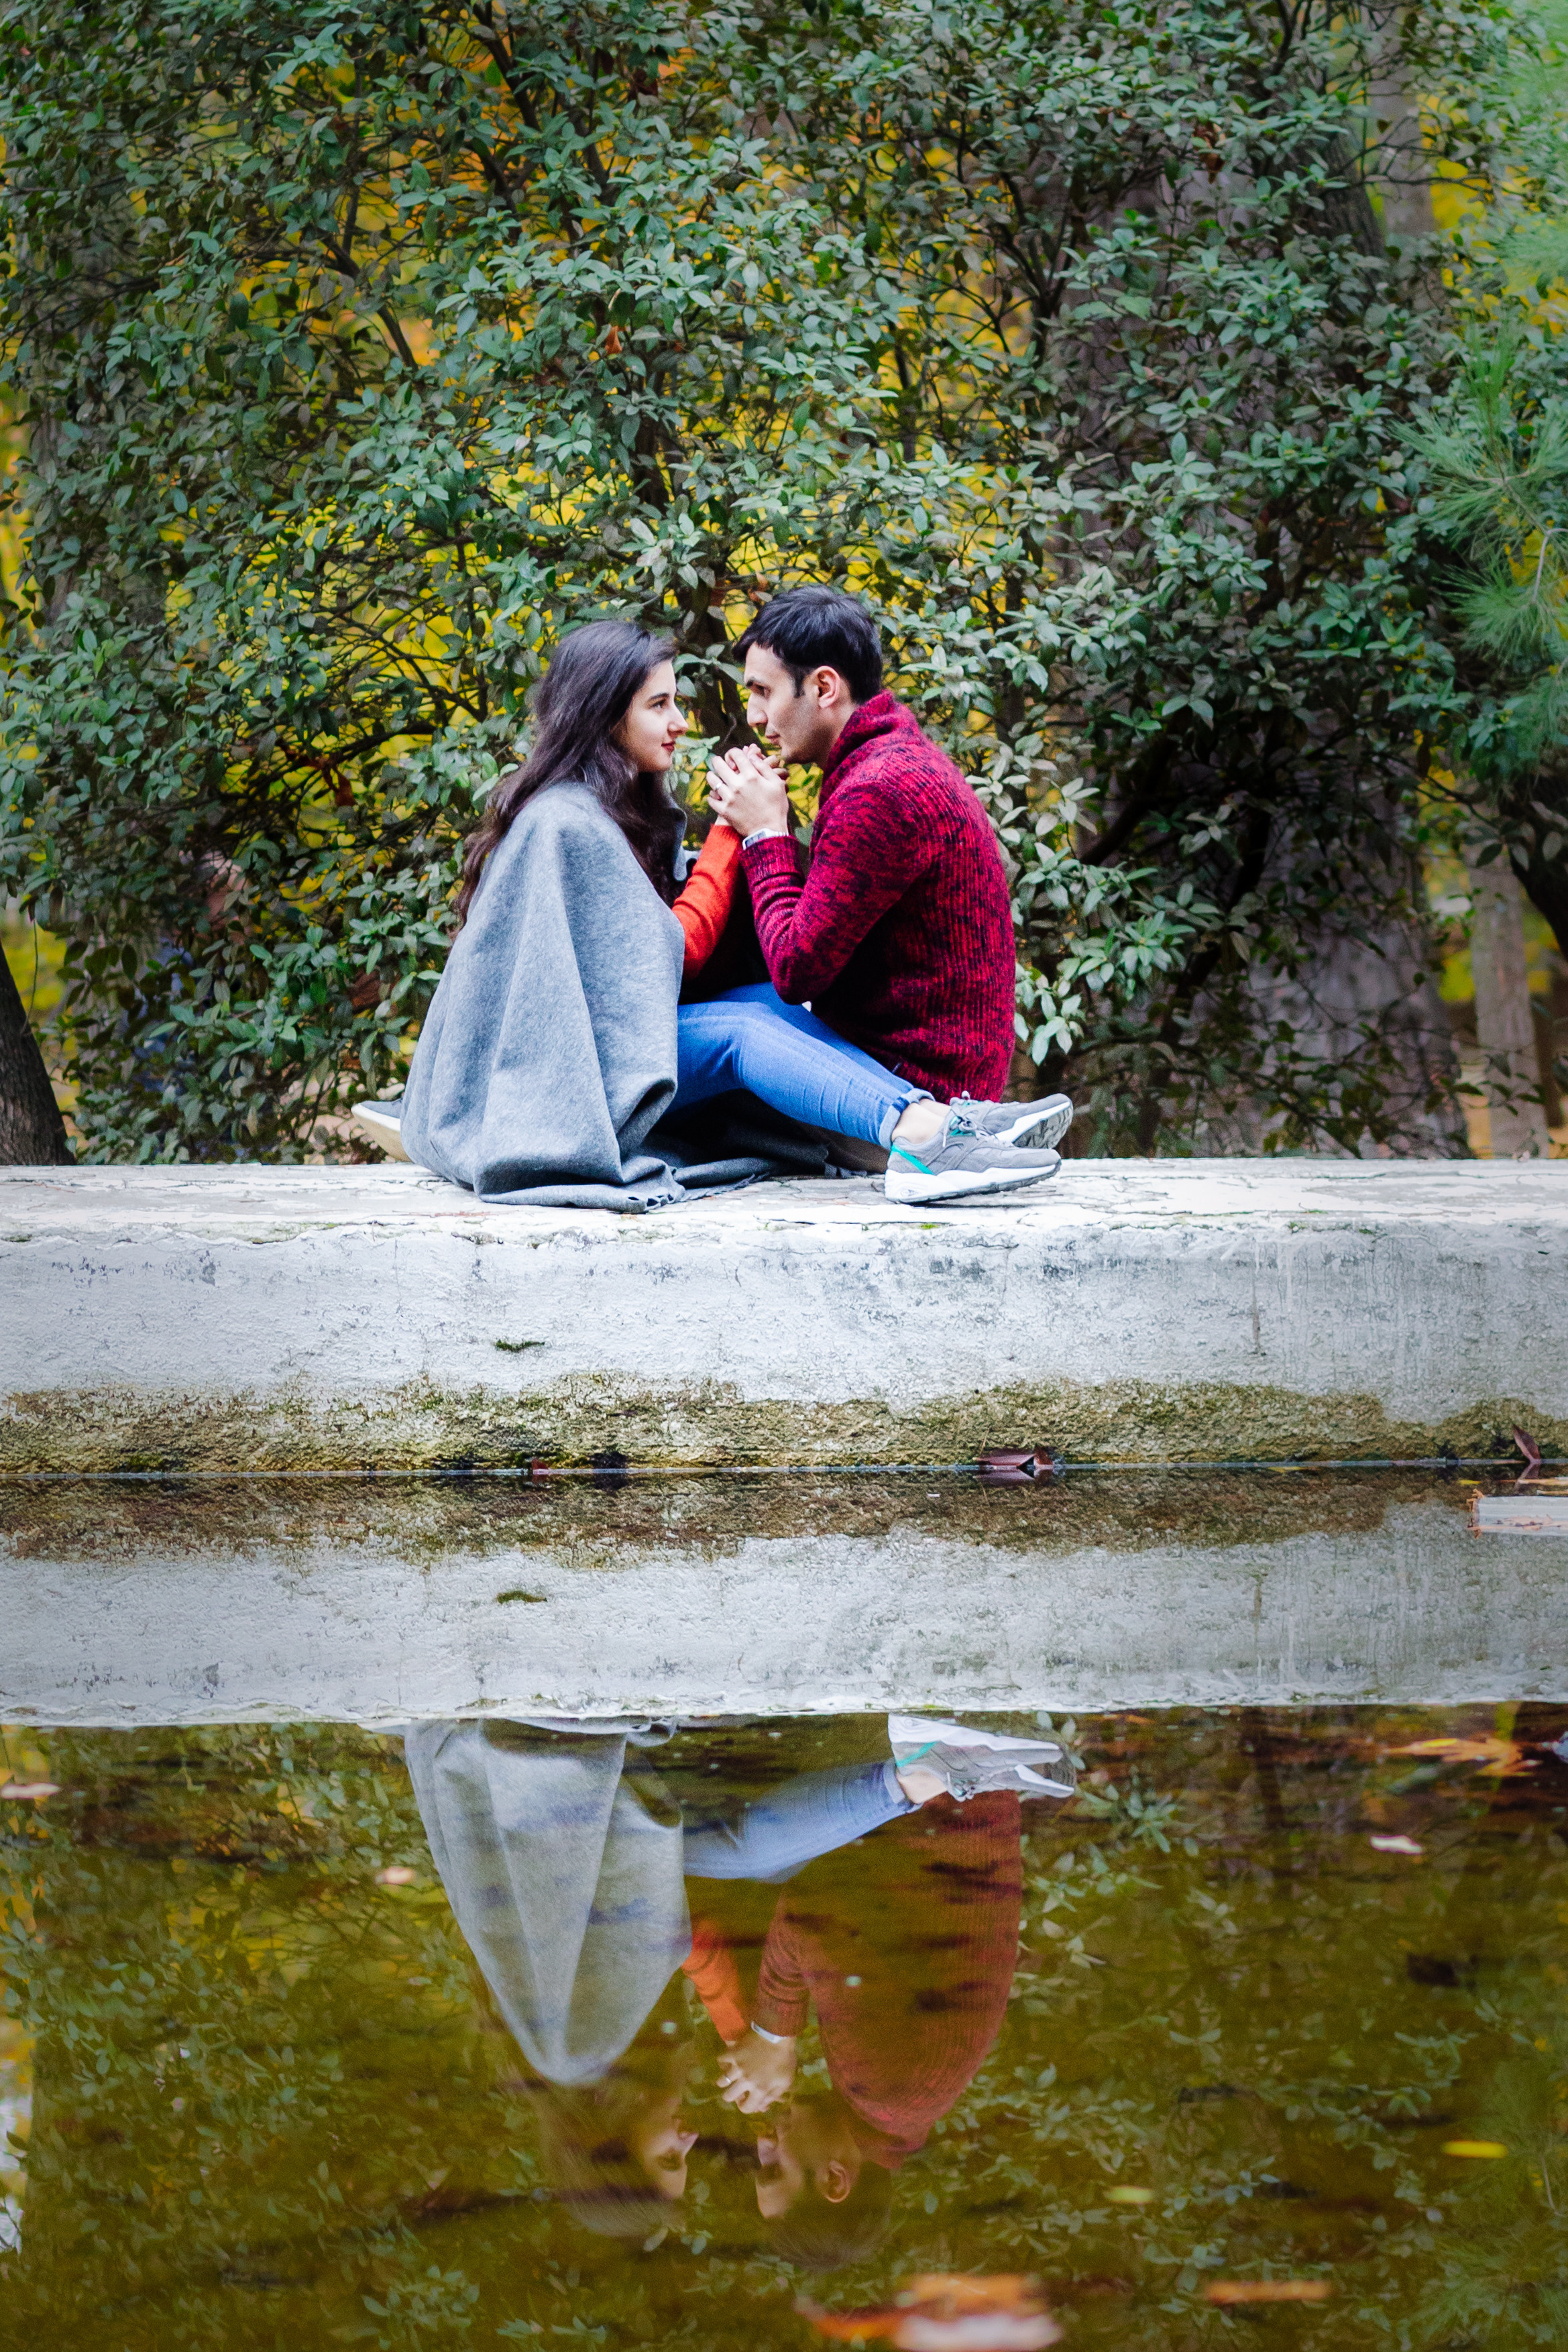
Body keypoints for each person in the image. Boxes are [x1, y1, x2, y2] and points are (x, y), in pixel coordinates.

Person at [384, 620, 1070, 1208]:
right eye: (658, 705)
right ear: (604, 713)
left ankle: (952, 1124)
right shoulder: (564, 824)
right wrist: (738, 837)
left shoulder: (611, 815)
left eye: (674, 702)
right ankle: (921, 1137)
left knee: (767, 1003)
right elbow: (666, 952)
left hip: (617, 1046)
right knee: (742, 1027)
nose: (680, 722)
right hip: (569, 1074)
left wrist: (748, 837)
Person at [706, 585, 1073, 1202]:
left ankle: (948, 1136)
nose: (755, 715)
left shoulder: (879, 790)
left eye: (764, 691)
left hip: (911, 1089)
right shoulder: (887, 762)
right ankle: (979, 1125)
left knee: (712, 1041)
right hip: (929, 1070)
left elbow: (797, 969)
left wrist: (766, 835)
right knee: (743, 1007)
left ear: (824, 688)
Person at [715, 1718, 1076, 2270]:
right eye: (772, 2168)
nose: (761, 2146)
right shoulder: (883, 2092)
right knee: (723, 1852)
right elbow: (810, 1914)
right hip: (930, 1772)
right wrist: (773, 2033)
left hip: (948, 1799)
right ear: (836, 2176)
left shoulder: (895, 2111)